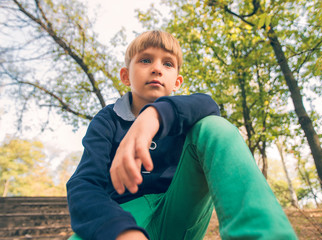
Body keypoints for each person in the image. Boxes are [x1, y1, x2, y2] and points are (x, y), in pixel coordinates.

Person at [66, 30, 298, 240]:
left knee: (214, 125)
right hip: (120, 218)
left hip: (180, 213)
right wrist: (119, 230)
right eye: (146, 60)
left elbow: (208, 104)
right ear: (126, 76)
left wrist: (153, 116)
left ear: (177, 82)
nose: (157, 68)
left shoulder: (188, 112)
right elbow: (84, 184)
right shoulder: (107, 120)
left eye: (168, 63)